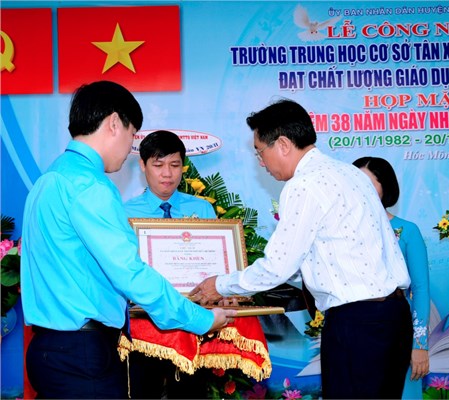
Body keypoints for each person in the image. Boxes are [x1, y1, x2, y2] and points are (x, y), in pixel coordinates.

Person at [20, 80, 236, 399]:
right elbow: (129, 273)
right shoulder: (90, 186)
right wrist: (202, 319)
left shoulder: (49, 179)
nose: (130, 147)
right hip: (83, 356)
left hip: (48, 351)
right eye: (132, 134)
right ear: (114, 123)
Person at [190, 98, 413, 399]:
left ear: (282, 144)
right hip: (393, 316)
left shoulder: (304, 185)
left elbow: (277, 267)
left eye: (260, 151)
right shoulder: (351, 174)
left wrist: (220, 285)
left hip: (357, 323)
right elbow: (317, 258)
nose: (261, 162)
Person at [124, 130, 216, 399]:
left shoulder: (202, 210)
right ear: (142, 165)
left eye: (175, 165)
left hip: (193, 324)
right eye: (158, 165)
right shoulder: (124, 213)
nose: (167, 174)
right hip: (144, 326)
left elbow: (217, 265)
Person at [353, 156, 431, 400]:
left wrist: (419, 345)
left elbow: (420, 289)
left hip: (397, 328)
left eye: (367, 183)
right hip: (353, 329)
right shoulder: (341, 232)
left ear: (385, 187)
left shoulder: (408, 231)